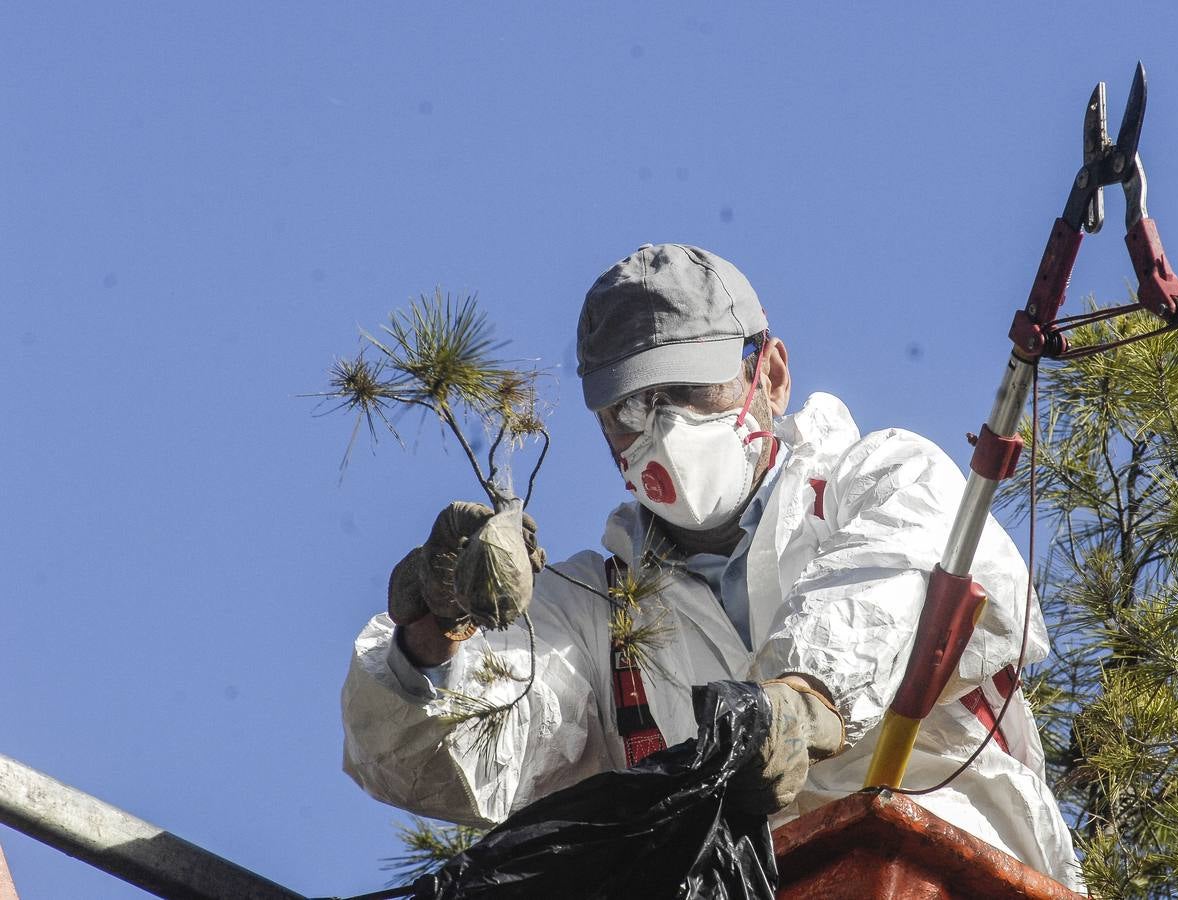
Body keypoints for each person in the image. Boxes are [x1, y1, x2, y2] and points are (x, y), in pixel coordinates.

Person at [341, 244, 1081, 887]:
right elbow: (449, 760)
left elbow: (893, 584)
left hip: (943, 867)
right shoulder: (599, 614)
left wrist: (804, 696)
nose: (662, 429)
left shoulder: (879, 479)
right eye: (629, 408)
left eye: (691, 391)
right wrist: (437, 636)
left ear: (772, 375)